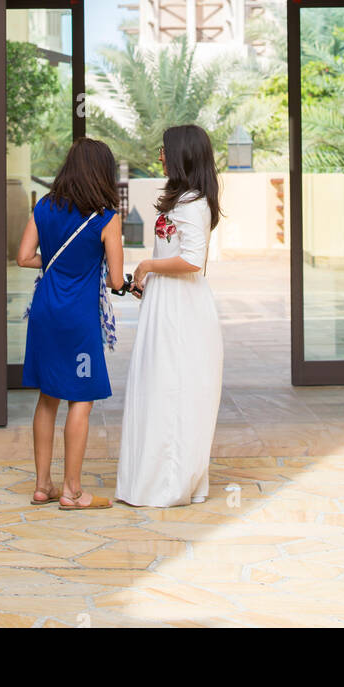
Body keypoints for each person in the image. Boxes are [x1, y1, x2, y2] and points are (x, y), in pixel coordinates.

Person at [116, 123, 223, 507]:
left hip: (182, 309)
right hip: (167, 303)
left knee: (173, 389)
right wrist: (152, 276)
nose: (159, 156)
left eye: (164, 150)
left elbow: (193, 260)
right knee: (160, 386)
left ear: (181, 155)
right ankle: (159, 478)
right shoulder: (183, 200)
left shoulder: (193, 202)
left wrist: (146, 266)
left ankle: (169, 483)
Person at [17, 137, 124, 510]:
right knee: (81, 398)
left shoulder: (43, 206)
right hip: (78, 320)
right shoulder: (107, 218)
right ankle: (72, 490)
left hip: (44, 312)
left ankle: (42, 485)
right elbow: (114, 279)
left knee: (48, 397)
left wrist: (56, 265)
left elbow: (23, 257)